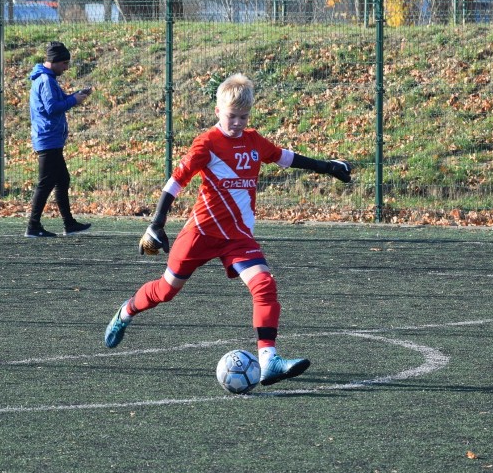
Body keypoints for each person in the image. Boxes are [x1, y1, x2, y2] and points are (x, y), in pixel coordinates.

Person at [103, 73, 352, 386]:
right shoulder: (207, 144)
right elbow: (175, 183)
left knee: (264, 285)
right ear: (218, 111)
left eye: (243, 117)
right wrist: (157, 224)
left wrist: (328, 167)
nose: (237, 123)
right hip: (201, 235)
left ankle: (269, 360)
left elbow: (286, 158)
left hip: (237, 238)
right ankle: (125, 312)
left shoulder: (253, 141)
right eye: (232, 116)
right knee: (166, 291)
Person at [25, 41, 92, 238]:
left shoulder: (48, 79)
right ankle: (32, 226)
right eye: (64, 63)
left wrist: (76, 95)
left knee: (62, 179)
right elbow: (52, 107)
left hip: (51, 138)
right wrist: (74, 100)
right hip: (47, 138)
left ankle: (69, 223)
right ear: (54, 61)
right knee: (45, 183)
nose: (66, 67)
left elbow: (59, 101)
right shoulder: (46, 81)